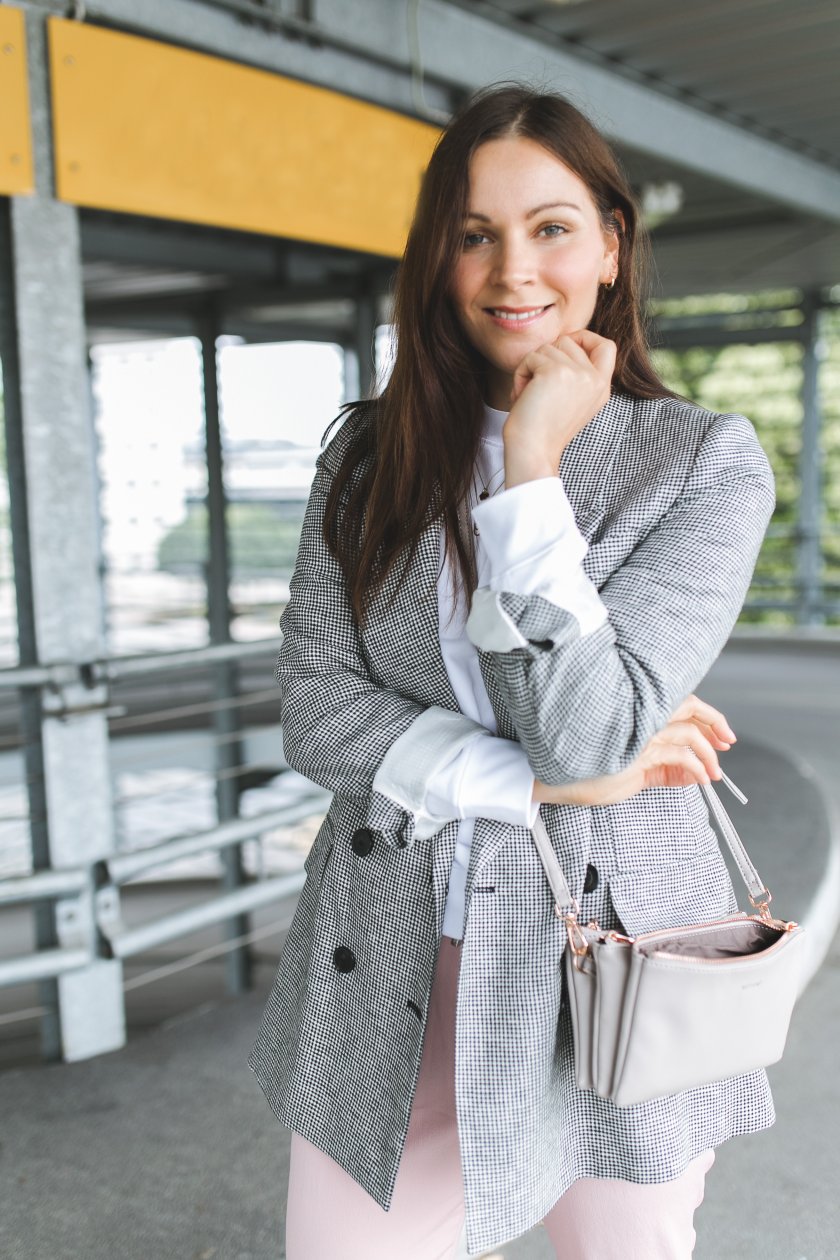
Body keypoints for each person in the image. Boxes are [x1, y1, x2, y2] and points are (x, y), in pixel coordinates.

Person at [248, 83, 777, 1259]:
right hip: (397, 943)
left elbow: (587, 736)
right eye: (473, 233)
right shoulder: (368, 459)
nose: (509, 270)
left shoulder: (701, 464)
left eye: (549, 227)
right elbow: (317, 712)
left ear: (609, 244)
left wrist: (530, 470)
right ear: (436, 256)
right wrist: (526, 783)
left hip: (613, 961)